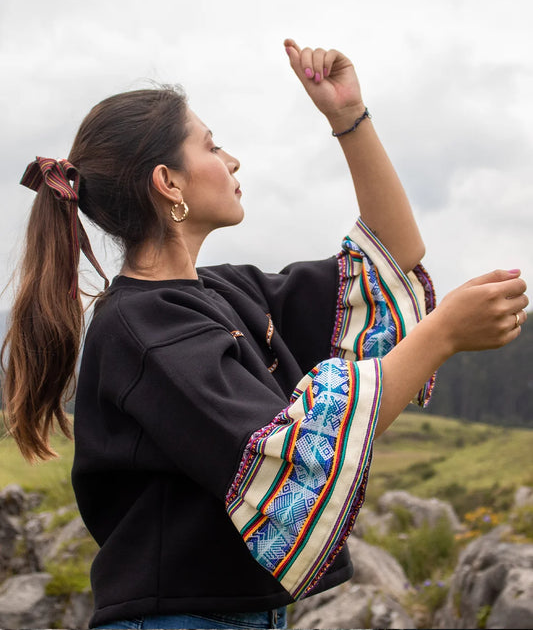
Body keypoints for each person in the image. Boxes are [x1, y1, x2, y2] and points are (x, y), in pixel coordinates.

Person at [2, 38, 528, 630]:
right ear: (168, 184)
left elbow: (389, 262)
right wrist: (442, 335)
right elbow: (290, 454)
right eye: (211, 145)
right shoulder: (141, 328)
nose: (232, 161)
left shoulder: (225, 293)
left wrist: (348, 118)